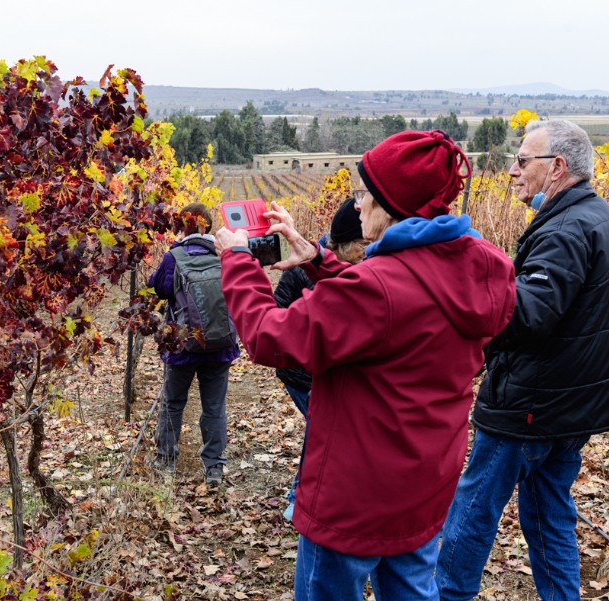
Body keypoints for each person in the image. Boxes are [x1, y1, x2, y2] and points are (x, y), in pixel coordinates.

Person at [214, 130, 516, 600]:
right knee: (415, 588)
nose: (356, 206)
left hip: (355, 495)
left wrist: (237, 260)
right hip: (424, 481)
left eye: (364, 195)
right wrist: (317, 259)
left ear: (392, 203)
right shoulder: (482, 265)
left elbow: (269, 337)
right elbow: (401, 308)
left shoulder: (378, 287)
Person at [436, 120, 609, 600]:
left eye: (523, 161)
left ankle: (446, 595)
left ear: (557, 167)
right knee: (549, 517)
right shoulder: (594, 213)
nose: (512, 170)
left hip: (531, 406)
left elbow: (527, 315)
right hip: (571, 406)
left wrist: (469, 282)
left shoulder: (564, 228)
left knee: (472, 515)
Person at [274, 197, 368, 521]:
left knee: (325, 429)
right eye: (363, 246)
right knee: (321, 428)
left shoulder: (353, 271)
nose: (366, 254)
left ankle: (306, 494)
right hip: (302, 371)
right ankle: (299, 496)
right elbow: (277, 318)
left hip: (327, 370)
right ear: (349, 244)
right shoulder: (304, 269)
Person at [149, 202, 240, 486]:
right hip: (220, 344)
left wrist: (172, 251)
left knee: (173, 402)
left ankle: (165, 459)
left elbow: (159, 288)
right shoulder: (226, 254)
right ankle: (214, 467)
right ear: (208, 226)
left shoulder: (174, 256)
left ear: (183, 227)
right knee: (214, 406)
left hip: (182, 347)